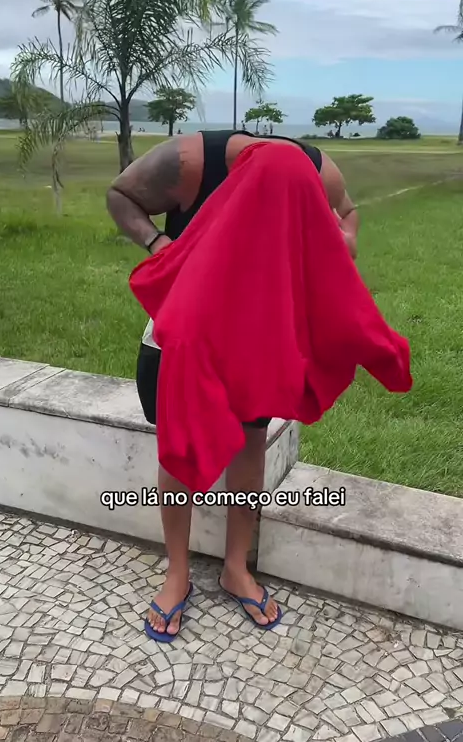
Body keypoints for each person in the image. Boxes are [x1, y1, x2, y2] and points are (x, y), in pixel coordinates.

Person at [106, 129, 359, 640]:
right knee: (178, 447)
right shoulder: (189, 162)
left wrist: (343, 240)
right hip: (186, 333)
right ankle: (177, 573)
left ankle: (235, 567)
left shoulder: (312, 169)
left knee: (249, 441)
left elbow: (348, 214)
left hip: (258, 333)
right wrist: (161, 245)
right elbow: (120, 195)